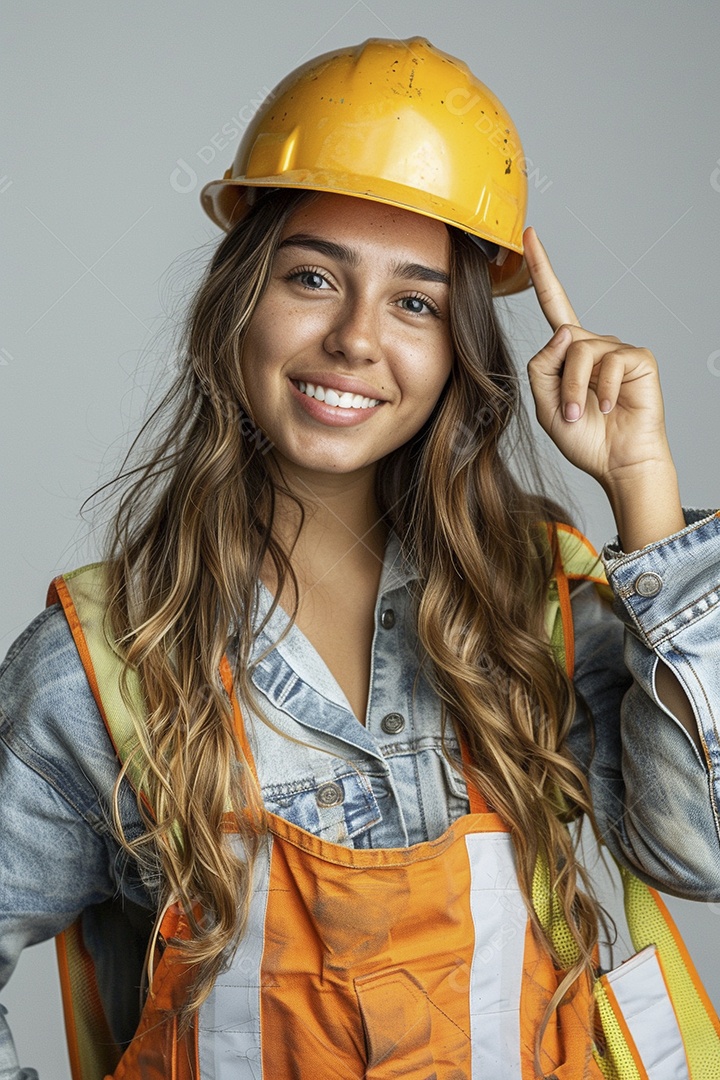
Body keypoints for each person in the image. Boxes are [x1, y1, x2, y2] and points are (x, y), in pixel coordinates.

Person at [2, 35, 720, 1080]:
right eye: (311, 277)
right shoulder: (105, 665)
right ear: (237, 305)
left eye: (415, 302)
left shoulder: (541, 614)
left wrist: (643, 491)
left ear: (457, 353)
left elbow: (698, 853)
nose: (355, 337)